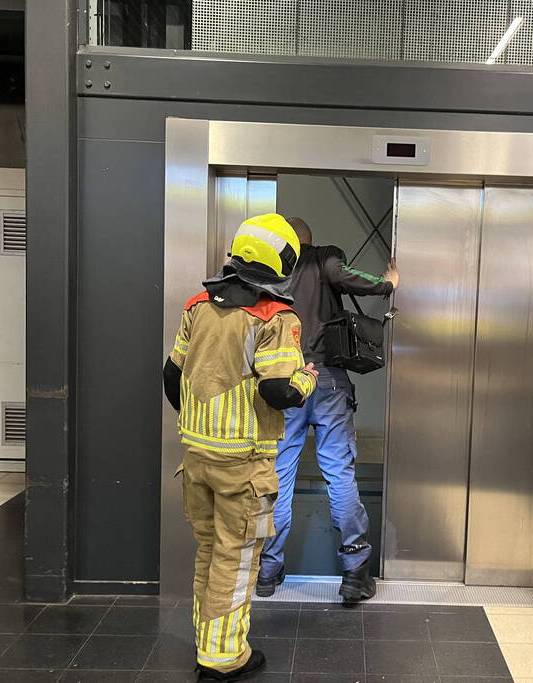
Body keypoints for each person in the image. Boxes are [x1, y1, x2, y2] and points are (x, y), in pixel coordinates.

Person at [162, 213, 318, 681]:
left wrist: (202, 426)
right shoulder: (275, 317)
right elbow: (278, 392)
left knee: (210, 550)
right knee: (237, 556)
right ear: (283, 262)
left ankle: (210, 643)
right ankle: (224, 659)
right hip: (244, 464)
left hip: (197, 458)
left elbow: (172, 376)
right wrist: (306, 380)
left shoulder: (198, 304)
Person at [256, 216, 399, 603]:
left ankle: (268, 571)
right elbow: (343, 274)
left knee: (279, 475)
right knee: (339, 472)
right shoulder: (323, 258)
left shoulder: (272, 269)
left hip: (284, 383)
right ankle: (355, 573)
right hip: (327, 380)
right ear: (311, 239)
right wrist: (387, 284)